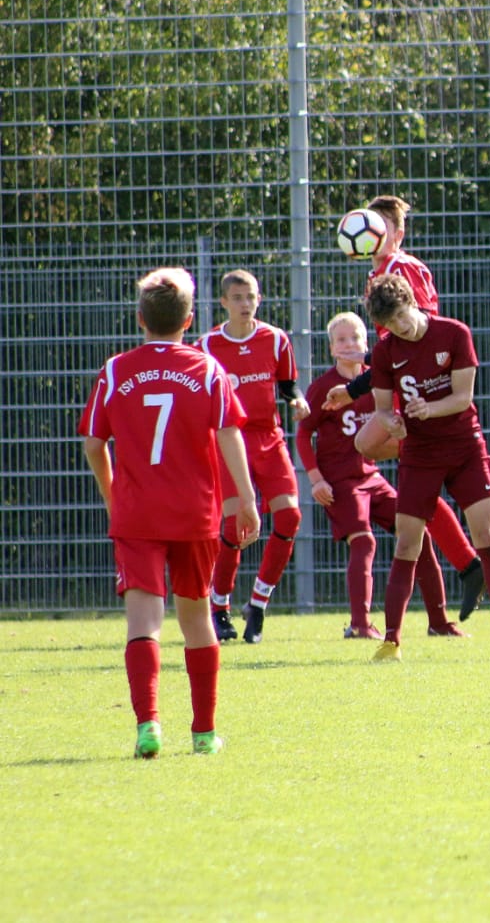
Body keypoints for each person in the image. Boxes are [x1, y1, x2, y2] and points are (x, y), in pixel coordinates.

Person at [79, 267, 261, 758]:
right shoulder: (208, 370)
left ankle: (148, 725)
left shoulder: (116, 370)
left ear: (141, 319)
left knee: (143, 620)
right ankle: (203, 734)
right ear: (189, 320)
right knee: (197, 617)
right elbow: (229, 433)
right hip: (194, 512)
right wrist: (247, 499)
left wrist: (113, 495)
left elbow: (94, 443)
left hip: (137, 513)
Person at [321, 195, 486, 621]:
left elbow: (418, 335)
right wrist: (356, 386)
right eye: (368, 225)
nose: (373, 235)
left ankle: (469, 562)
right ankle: (467, 565)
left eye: (381, 226)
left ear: (396, 232)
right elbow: (390, 349)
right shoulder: (378, 274)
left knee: (374, 447)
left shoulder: (402, 268)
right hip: (404, 385)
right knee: (379, 452)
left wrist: (359, 385)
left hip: (422, 389)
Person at [362, 273, 490, 662]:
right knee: (407, 542)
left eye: (402, 315)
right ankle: (391, 641)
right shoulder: (385, 352)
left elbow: (463, 397)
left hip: (465, 447)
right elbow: (382, 408)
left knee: (485, 534)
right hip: (420, 452)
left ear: (412, 301)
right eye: (391, 323)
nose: (400, 326)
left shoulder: (454, 333)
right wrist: (391, 422)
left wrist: (428, 409)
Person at [296, 312, 468, 640]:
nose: (349, 344)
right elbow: (304, 435)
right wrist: (317, 479)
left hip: (372, 478)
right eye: (341, 339)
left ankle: (439, 622)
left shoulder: (377, 381)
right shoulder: (324, 387)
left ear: (367, 344)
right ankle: (360, 624)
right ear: (331, 348)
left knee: (417, 535)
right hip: (341, 483)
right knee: (364, 541)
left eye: (355, 337)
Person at [198, 269, 309, 644]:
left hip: (268, 438)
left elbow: (288, 384)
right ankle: (219, 606)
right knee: (235, 527)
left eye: (252, 297)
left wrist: (297, 400)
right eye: (238, 298)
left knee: (290, 516)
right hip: (230, 439)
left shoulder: (275, 339)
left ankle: (258, 603)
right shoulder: (207, 346)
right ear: (224, 302)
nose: (246, 304)